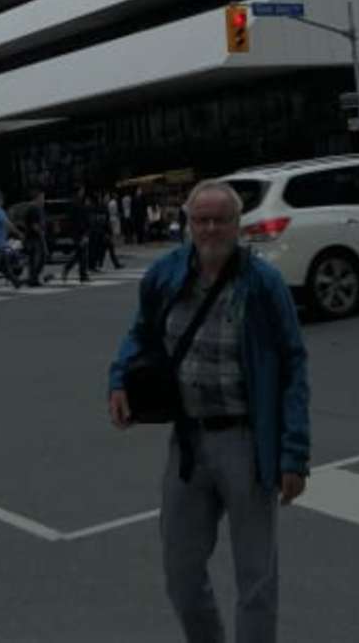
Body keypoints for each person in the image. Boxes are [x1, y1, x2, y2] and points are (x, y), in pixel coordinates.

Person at [109, 180, 310, 643]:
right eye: (201, 220)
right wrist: (118, 379)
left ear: (238, 225)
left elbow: (294, 364)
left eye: (221, 220)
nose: (211, 229)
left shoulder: (263, 283)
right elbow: (140, 333)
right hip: (188, 444)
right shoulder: (166, 274)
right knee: (180, 571)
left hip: (246, 442)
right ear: (188, 223)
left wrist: (294, 453)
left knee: (256, 577)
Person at [61, 186, 91, 283]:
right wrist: (84, 233)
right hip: (79, 232)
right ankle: (81, 274)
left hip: (77, 232)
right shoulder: (77, 203)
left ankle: (78, 273)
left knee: (80, 253)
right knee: (82, 253)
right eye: (82, 190)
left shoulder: (76, 202)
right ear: (79, 191)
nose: (83, 192)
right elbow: (79, 220)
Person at [23, 192, 47, 287]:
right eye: (42, 198)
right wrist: (41, 233)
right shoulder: (34, 208)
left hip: (34, 237)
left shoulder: (37, 208)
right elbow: (34, 224)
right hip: (34, 237)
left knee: (35, 259)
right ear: (37, 198)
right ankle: (33, 278)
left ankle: (33, 278)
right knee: (39, 258)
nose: (43, 200)